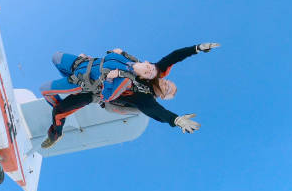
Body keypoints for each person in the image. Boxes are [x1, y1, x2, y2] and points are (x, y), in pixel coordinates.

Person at [39, 43, 220, 148]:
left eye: (167, 89)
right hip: (90, 68)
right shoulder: (156, 72)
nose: (165, 84)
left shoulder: (144, 98)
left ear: (162, 96)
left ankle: (56, 134)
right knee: (57, 58)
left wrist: (176, 120)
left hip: (94, 91)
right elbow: (175, 56)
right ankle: (72, 80)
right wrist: (196, 48)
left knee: (59, 111)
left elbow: (155, 111)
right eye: (168, 83)